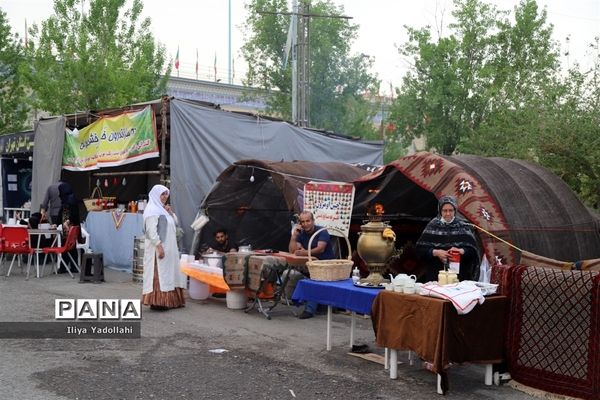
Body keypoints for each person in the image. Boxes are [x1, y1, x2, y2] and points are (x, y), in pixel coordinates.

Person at [416, 195, 480, 282]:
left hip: (459, 278)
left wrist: (461, 251)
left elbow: (473, 252)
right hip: (436, 276)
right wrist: (436, 252)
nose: (448, 213)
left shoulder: (463, 226)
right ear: (440, 211)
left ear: (455, 210)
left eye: (451, 210)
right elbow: (420, 250)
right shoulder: (432, 226)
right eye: (445, 210)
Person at [141, 184, 186, 311]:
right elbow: (151, 232)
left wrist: (170, 213)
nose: (165, 197)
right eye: (162, 194)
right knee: (160, 274)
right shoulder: (151, 211)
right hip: (159, 249)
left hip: (170, 248)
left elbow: (174, 224)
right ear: (156, 195)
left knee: (169, 273)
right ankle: (158, 302)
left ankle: (172, 301)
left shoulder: (162, 210)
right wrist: (159, 246)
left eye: (166, 194)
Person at [288, 211, 334, 319]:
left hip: (326, 266)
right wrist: (294, 237)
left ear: (313, 221)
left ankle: (309, 310)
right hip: (310, 265)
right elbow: (293, 250)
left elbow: (320, 249)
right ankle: (296, 300)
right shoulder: (301, 233)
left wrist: (303, 252)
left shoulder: (322, 231)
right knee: (288, 273)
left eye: (308, 221)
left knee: (314, 280)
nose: (305, 224)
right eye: (302, 222)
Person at [57, 182, 81, 273]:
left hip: (70, 227)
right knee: (70, 246)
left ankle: (67, 267)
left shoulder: (70, 200)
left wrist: (67, 221)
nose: (59, 194)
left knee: (69, 246)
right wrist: (57, 223)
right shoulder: (67, 199)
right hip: (67, 227)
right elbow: (62, 213)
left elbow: (73, 214)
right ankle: (70, 266)